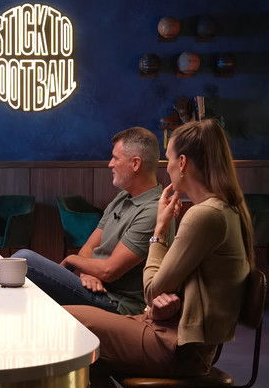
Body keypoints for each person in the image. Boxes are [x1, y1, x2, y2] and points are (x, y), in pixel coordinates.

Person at [66, 119, 254, 388]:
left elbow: (152, 288)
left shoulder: (205, 215)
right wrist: (167, 300)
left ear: (183, 163)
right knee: (83, 349)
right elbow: (172, 288)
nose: (166, 168)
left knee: (67, 323)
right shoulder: (222, 209)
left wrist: (160, 230)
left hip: (179, 347)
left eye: (169, 158)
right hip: (169, 330)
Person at [14, 127, 165, 315]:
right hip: (94, 287)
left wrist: (72, 260)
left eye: (115, 158)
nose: (110, 164)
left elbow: (109, 271)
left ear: (135, 164)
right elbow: (88, 248)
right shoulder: (123, 197)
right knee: (22, 271)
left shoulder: (152, 211)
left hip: (116, 303)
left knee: (25, 260)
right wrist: (88, 273)